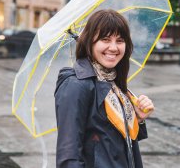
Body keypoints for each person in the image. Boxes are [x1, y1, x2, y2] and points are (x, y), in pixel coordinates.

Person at [55, 9, 154, 168]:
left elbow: (113, 141)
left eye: (120, 40)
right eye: (105, 39)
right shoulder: (76, 85)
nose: (114, 48)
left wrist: (138, 119)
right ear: (89, 41)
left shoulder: (112, 82)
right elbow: (69, 156)